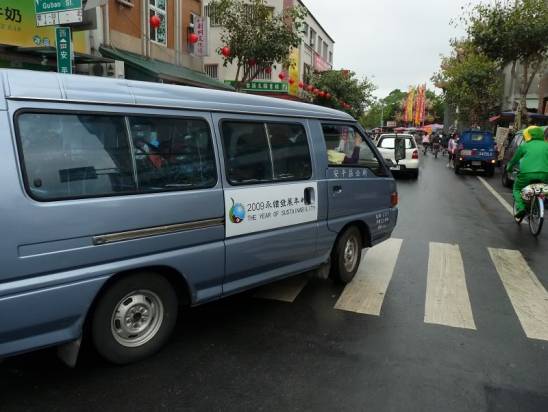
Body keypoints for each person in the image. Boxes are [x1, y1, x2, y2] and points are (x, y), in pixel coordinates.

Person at [506, 126, 548, 219]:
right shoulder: (546, 145)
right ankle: (539, 202)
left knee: (516, 189)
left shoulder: (525, 145)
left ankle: (521, 208)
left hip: (527, 174)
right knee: (543, 189)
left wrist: (509, 168)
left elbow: (514, 160)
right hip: (545, 174)